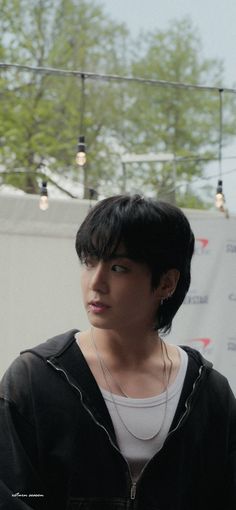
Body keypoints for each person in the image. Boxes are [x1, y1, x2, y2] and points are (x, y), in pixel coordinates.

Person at [0, 194, 235, 510]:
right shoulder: (34, 380)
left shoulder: (208, 393)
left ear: (166, 283)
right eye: (89, 262)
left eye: (119, 267)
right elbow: (15, 495)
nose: (96, 282)